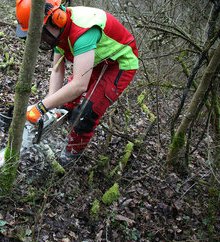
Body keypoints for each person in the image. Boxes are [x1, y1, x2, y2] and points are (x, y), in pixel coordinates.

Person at [15, 0, 139, 166]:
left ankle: (73, 152)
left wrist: (40, 107)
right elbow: (57, 70)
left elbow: (80, 85)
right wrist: (49, 106)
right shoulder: (59, 32)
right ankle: (63, 119)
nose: (42, 39)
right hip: (94, 60)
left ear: (56, 18)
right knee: (63, 102)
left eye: (42, 33)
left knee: (86, 114)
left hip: (117, 63)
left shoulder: (83, 31)